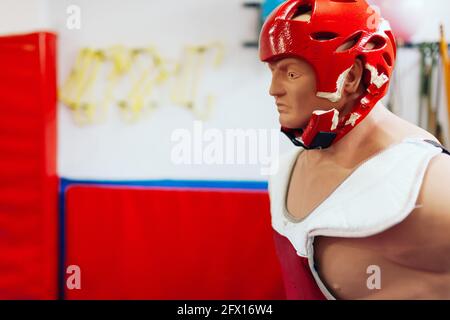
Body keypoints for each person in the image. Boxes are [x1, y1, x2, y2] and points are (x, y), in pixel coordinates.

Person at [260, 0, 450, 299]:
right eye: (273, 72)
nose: (274, 89)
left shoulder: (429, 184)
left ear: (349, 77)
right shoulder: (287, 169)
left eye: (291, 73)